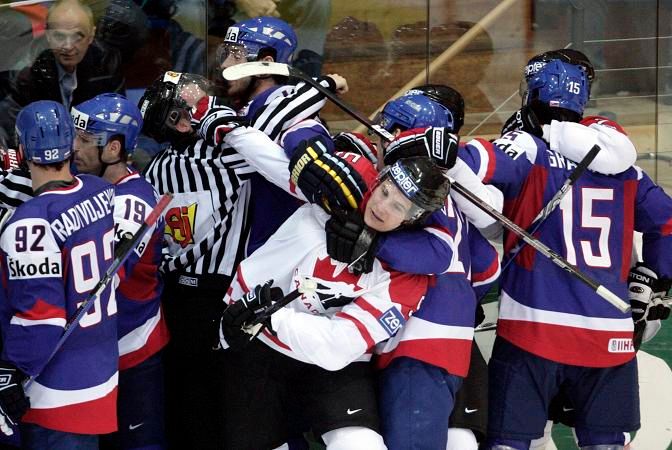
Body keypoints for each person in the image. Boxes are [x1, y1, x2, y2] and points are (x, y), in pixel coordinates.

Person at [454, 50, 672, 450]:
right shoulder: (629, 172)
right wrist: (655, 279)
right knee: (605, 443)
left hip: (532, 333)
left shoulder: (530, 150)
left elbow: (469, 161)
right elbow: (669, 224)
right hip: (610, 336)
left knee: (509, 442)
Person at [218, 155, 451, 450]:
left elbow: (336, 347)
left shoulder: (410, 277)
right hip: (265, 350)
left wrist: (271, 318)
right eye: (385, 192)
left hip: (335, 368)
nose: (381, 207)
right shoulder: (337, 192)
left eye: (398, 207)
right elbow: (290, 151)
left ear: (413, 219)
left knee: (360, 445)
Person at [0, 100, 118, 449]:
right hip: (98, 366)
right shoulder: (100, 192)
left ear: (22, 151)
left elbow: (42, 321)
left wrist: (10, 373)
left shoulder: (29, 224)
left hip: (54, 388)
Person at [70, 93, 169, 450]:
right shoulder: (84, 187)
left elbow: (106, 276)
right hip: (99, 351)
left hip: (132, 350)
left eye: (84, 140)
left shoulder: (133, 201)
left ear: (113, 149)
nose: (73, 147)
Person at [0, 0, 125, 148]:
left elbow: (117, 121)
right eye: (59, 36)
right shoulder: (23, 72)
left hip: (92, 149)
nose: (68, 46)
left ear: (91, 35)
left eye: (77, 36)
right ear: (47, 35)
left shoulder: (107, 63)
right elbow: (14, 131)